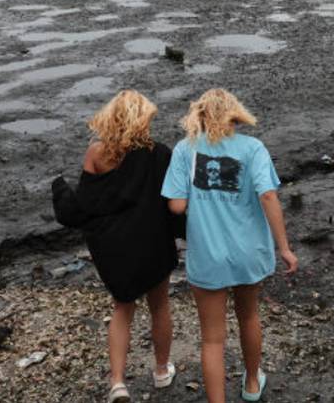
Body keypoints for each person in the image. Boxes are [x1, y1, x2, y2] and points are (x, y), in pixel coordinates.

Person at [162, 89, 298, 403]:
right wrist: (285, 248)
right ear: (236, 115)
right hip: (249, 252)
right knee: (249, 316)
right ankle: (252, 383)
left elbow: (177, 207)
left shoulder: (185, 150)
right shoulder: (253, 148)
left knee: (212, 339)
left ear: (199, 115)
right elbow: (268, 196)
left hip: (208, 255)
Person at [52, 90, 179, 402]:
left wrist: (58, 188)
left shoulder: (96, 153)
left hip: (115, 247)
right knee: (160, 305)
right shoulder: (160, 153)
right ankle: (162, 370)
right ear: (143, 120)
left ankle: (118, 383)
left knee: (123, 309)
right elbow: (173, 200)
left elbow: (86, 204)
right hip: (153, 241)